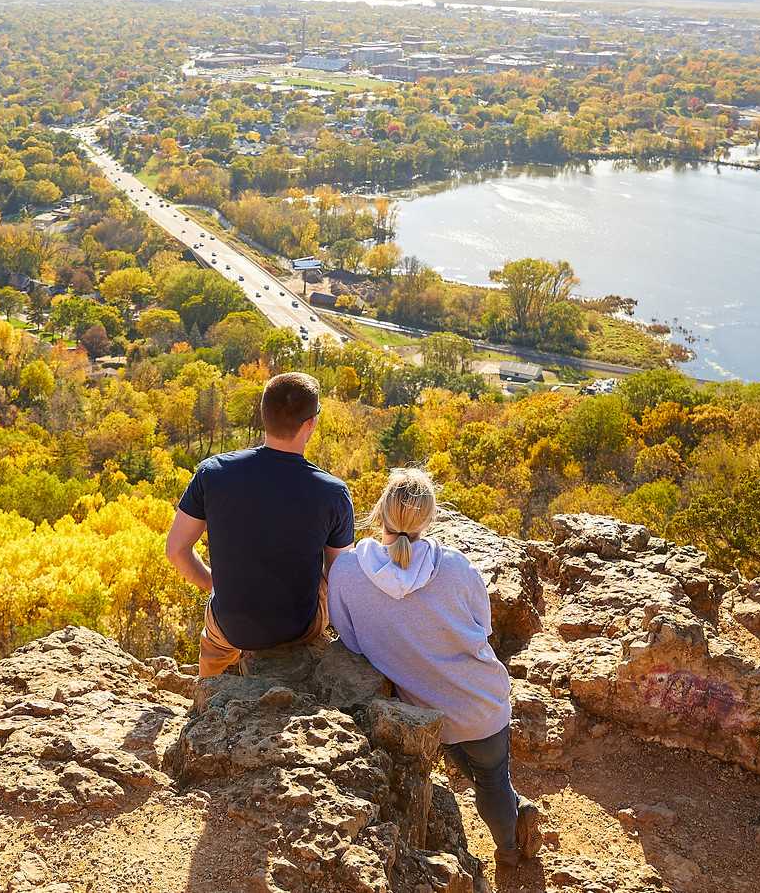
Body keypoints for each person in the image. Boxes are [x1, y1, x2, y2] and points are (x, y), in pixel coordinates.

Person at [326, 468, 543, 868]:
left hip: (423, 712)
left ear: (379, 512)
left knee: (473, 768)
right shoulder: (458, 568)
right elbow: (483, 629)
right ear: (429, 518)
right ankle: (511, 851)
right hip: (481, 704)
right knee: (493, 780)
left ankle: (514, 814)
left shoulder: (346, 572)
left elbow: (351, 640)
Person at [166, 371, 355, 679]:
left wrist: (212, 583)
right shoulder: (332, 492)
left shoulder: (213, 473)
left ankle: (206, 694)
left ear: (263, 415)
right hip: (299, 628)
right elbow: (340, 574)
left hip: (231, 624)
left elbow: (176, 550)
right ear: (311, 424)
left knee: (213, 643)